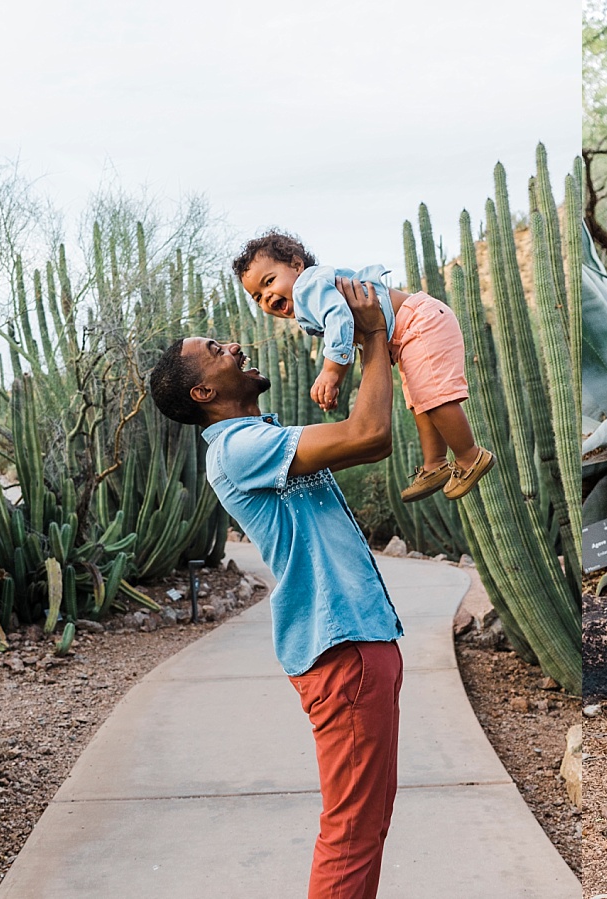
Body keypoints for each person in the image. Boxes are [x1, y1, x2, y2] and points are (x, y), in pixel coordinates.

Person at [148, 277, 403, 898]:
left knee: (362, 829)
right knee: (352, 834)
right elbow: (370, 437)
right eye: (216, 348)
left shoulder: (257, 438)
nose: (235, 345)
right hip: (341, 650)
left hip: (352, 644)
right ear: (204, 390)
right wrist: (371, 336)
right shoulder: (239, 448)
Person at [232, 229, 494, 503]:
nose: (267, 296)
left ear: (297, 265)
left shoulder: (307, 287)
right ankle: (434, 464)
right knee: (419, 400)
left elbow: (340, 319)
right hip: (408, 332)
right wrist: (338, 376)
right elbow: (346, 333)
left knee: (434, 399)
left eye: (269, 281)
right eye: (258, 297)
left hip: (419, 322)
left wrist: (331, 372)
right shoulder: (312, 293)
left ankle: (469, 456)